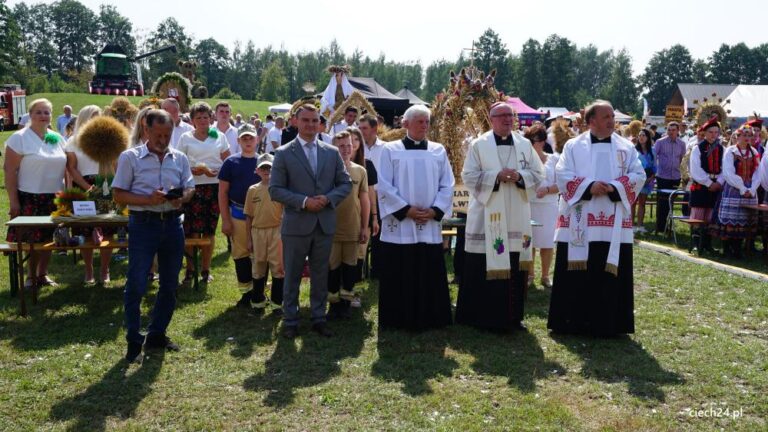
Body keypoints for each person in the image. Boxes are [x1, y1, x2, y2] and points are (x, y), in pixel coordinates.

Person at [548, 100, 645, 336]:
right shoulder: (573, 146)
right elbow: (561, 174)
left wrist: (613, 187)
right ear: (591, 121)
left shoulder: (626, 147)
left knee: (608, 271)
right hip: (580, 219)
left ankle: (609, 323)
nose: (612, 120)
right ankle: (571, 321)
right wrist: (589, 187)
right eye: (606, 117)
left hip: (613, 220)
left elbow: (638, 174)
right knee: (577, 273)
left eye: (612, 116)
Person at [112, 109, 195, 363]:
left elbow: (190, 186)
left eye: (167, 134)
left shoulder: (179, 158)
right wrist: (147, 199)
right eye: (158, 134)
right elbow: (118, 194)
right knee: (137, 283)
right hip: (143, 224)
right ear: (146, 130)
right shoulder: (130, 158)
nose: (163, 139)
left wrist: (182, 197)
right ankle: (134, 341)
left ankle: (157, 334)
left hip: (172, 225)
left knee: (170, 284)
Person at [457, 102, 544, 332]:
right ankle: (481, 317)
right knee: (482, 264)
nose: (508, 119)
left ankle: (512, 317)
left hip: (516, 216)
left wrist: (519, 176)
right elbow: (468, 176)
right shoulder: (479, 145)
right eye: (502, 115)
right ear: (492, 119)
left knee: (514, 266)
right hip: (487, 215)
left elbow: (538, 174)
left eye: (510, 115)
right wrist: (496, 176)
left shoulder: (525, 144)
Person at [269, 103, 352, 338]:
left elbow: (345, 184)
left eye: (315, 121)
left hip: (324, 223)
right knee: (292, 275)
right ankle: (291, 321)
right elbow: (275, 190)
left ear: (320, 123)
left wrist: (327, 198)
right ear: (296, 121)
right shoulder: (284, 153)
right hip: (296, 223)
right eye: (306, 120)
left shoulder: (331, 152)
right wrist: (304, 201)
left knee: (320, 274)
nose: (311, 125)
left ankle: (318, 317)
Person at [376, 104, 454, 331]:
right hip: (400, 225)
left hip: (428, 223)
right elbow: (384, 184)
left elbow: (447, 184)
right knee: (400, 270)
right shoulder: (390, 150)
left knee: (428, 269)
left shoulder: (438, 150)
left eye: (427, 121)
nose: (424, 125)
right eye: (419, 121)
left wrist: (435, 210)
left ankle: (431, 317)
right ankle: (398, 318)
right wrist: (405, 210)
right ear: (405, 124)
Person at [4, 98, 67, 288]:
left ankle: (42, 274)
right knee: (32, 240)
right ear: (30, 115)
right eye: (38, 112)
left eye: (46, 112)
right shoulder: (20, 138)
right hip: (30, 196)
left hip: (53, 197)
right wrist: (14, 201)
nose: (43, 116)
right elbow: (9, 170)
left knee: (48, 238)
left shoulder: (56, 138)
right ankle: (31, 276)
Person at [176, 102, 231, 284]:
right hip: (191, 188)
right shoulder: (185, 138)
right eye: (198, 118)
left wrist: (215, 172)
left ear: (211, 118)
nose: (202, 121)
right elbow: (178, 164)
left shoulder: (220, 136)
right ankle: (190, 270)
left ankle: (206, 270)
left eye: (205, 117)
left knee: (209, 230)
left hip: (214, 187)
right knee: (191, 231)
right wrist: (192, 170)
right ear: (192, 120)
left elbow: (229, 162)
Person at [64, 105, 115, 285]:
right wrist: (87, 187)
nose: (97, 119)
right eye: (93, 116)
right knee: (84, 231)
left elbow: (115, 164)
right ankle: (88, 269)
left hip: (106, 185)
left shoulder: (108, 139)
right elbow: (71, 168)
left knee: (107, 229)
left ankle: (105, 268)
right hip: (83, 187)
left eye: (99, 116)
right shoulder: (73, 141)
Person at [327, 131, 370, 319]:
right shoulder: (326, 171)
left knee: (350, 267)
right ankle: (333, 304)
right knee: (332, 267)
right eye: (341, 146)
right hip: (331, 229)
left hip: (353, 228)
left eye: (348, 146)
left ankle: (346, 303)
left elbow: (365, 199)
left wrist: (364, 226)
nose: (345, 149)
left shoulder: (360, 171)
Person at [218, 124, 262, 299]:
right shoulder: (231, 162)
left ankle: (259, 291)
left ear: (257, 139)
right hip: (237, 214)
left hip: (261, 217)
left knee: (260, 254)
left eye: (251, 137)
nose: (248, 141)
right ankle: (246, 292)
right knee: (241, 254)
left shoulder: (265, 162)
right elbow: (222, 193)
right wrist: (226, 220)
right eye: (244, 138)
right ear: (238, 141)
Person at [712, 124, 761, 257]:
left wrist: (752, 189)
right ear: (737, 136)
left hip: (750, 190)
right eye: (744, 135)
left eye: (749, 135)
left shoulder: (754, 152)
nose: (747, 138)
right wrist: (741, 187)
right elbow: (728, 173)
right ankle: (727, 249)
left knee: (745, 219)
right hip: (734, 189)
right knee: (730, 220)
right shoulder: (731, 151)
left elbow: (758, 173)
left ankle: (738, 249)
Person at [244, 153, 284, 313]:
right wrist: (249, 239)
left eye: (270, 167)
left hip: (276, 231)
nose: (267, 170)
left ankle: (277, 303)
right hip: (258, 231)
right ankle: (258, 301)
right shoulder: (253, 190)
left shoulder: (280, 188)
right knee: (259, 265)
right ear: (257, 171)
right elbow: (249, 216)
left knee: (278, 266)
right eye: (263, 168)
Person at [525, 123, 560, 289]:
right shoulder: (523, 161)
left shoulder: (555, 159)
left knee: (547, 242)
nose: (533, 143)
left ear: (543, 141)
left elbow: (562, 184)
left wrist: (547, 190)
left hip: (549, 205)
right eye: (530, 140)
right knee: (528, 241)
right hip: (528, 204)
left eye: (536, 140)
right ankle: (530, 274)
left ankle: (545, 275)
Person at [348, 126, 379, 291]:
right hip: (342, 217)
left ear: (360, 142)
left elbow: (371, 193)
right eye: (349, 140)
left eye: (356, 139)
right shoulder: (335, 164)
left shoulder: (367, 165)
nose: (352, 143)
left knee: (360, 252)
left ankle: (355, 289)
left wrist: (374, 217)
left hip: (362, 216)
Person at [689, 117, 725, 253]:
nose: (713, 135)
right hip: (701, 186)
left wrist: (719, 182)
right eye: (711, 132)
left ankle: (707, 244)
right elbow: (696, 170)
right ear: (704, 132)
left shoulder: (723, 149)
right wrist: (709, 183)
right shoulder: (697, 149)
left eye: (716, 132)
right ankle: (696, 243)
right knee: (698, 216)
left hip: (716, 187)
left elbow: (725, 169)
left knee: (710, 217)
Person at [653, 121, 687, 233]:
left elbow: (682, 159)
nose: (671, 132)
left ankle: (668, 226)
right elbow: (654, 157)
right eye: (669, 130)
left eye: (673, 130)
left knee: (670, 202)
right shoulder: (660, 142)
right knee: (662, 202)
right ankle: (660, 227)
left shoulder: (682, 144)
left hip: (675, 177)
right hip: (663, 176)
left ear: (678, 131)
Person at [634, 128, 656, 233]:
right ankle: (630, 226)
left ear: (647, 138)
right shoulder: (633, 150)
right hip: (634, 180)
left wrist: (650, 178)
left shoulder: (653, 151)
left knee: (642, 203)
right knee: (632, 203)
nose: (641, 137)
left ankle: (640, 225)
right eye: (640, 135)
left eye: (643, 135)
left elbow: (655, 167)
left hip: (647, 181)